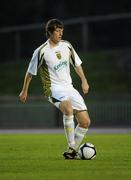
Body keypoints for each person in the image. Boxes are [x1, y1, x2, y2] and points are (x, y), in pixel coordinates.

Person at [19, 18, 91, 159]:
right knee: (68, 109)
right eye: (57, 31)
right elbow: (30, 73)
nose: (60, 34)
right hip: (53, 88)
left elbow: (77, 64)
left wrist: (84, 81)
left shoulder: (67, 46)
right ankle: (71, 145)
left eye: (61, 31)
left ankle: (71, 152)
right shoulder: (41, 51)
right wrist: (24, 90)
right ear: (50, 33)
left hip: (69, 87)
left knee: (85, 122)